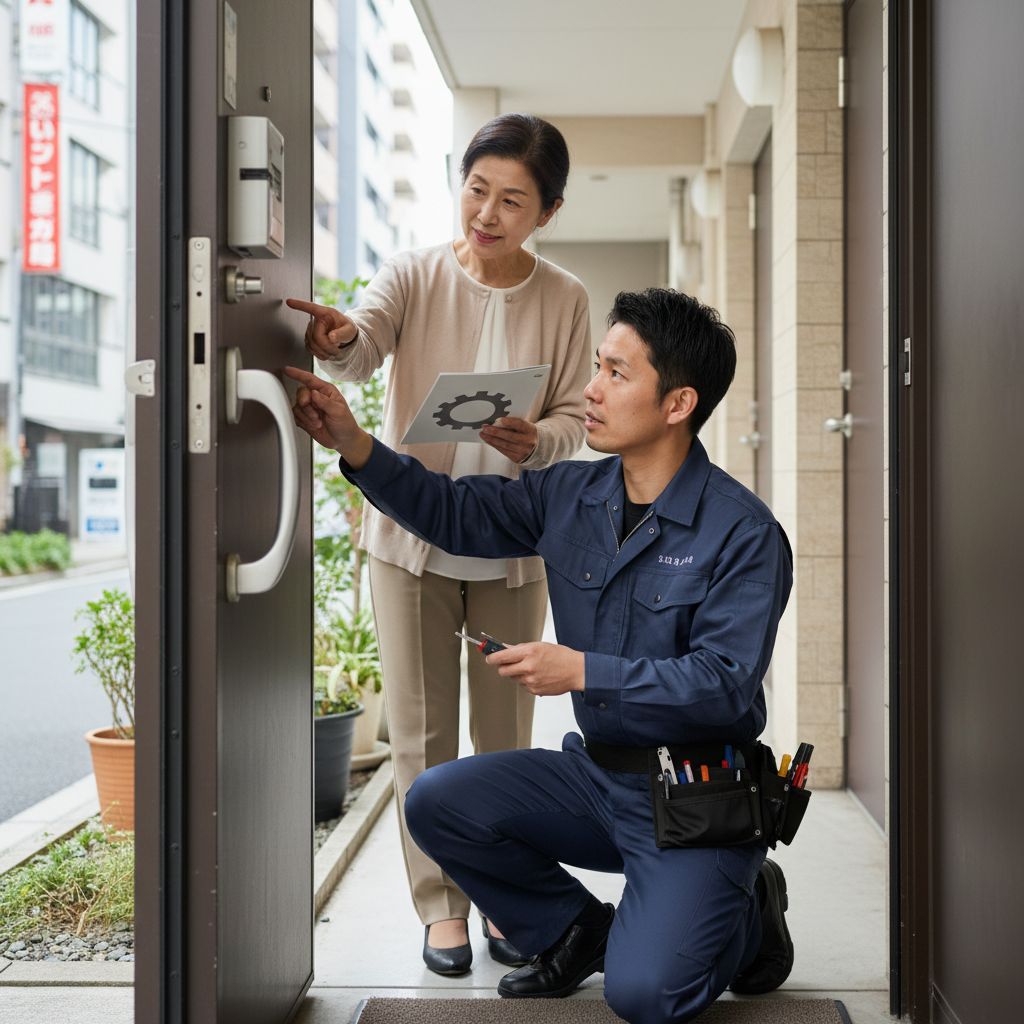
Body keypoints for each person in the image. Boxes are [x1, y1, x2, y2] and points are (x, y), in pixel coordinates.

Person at [284, 287, 794, 1024]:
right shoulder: (571, 494)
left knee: (647, 996)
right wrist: (353, 442)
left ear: (678, 404)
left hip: (697, 798)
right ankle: (574, 929)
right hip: (599, 780)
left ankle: (748, 915)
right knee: (437, 800)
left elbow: (720, 685)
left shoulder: (742, 533)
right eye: (597, 366)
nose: (590, 389)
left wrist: (580, 669)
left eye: (616, 374)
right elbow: (456, 515)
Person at [286, 114, 591, 974]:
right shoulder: (415, 273)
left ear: (548, 211)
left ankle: (505, 895)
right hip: (408, 542)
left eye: (512, 200)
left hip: (512, 547)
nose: (486, 212)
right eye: (476, 189)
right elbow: (359, 347)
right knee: (423, 736)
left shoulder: (565, 297)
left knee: (506, 741)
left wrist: (544, 441)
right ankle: (439, 906)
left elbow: (576, 414)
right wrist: (340, 339)